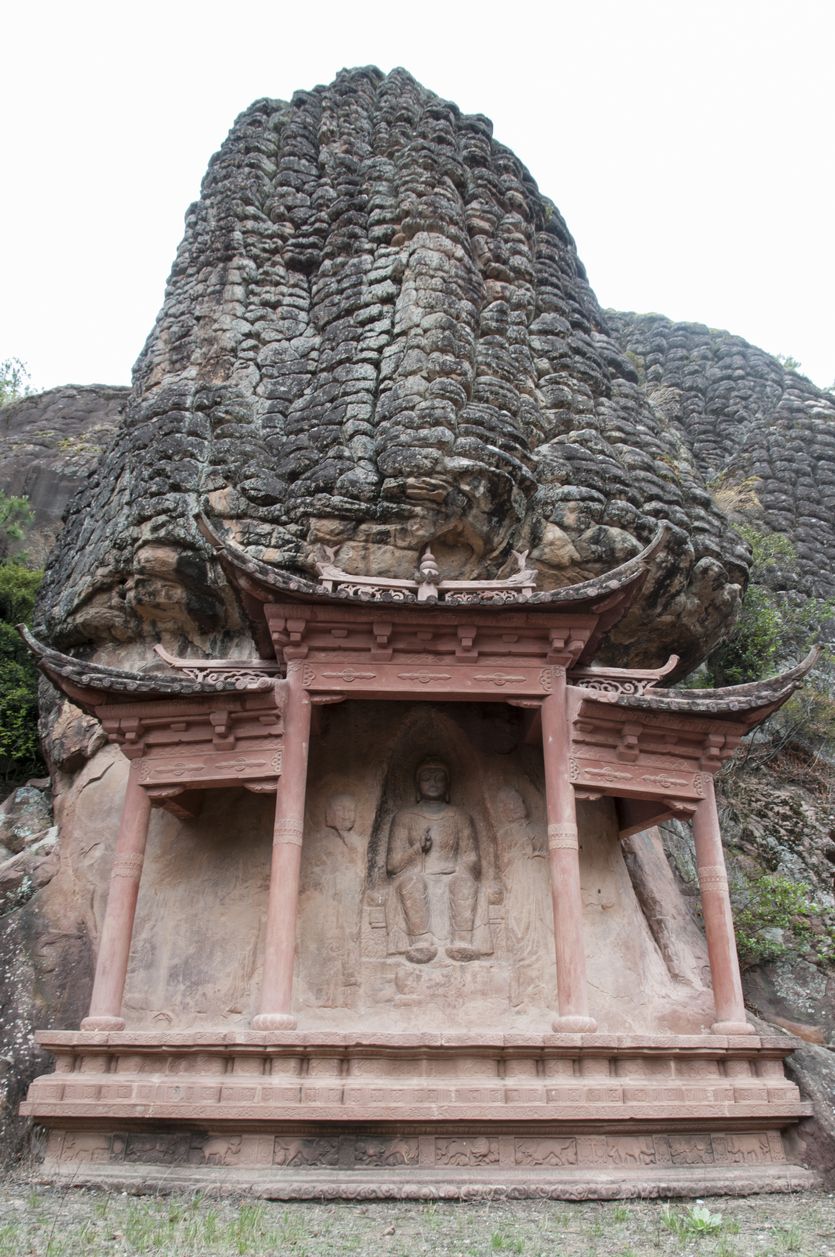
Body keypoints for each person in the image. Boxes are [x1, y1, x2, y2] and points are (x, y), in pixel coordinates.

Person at [386, 757, 481, 963]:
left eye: (439, 778)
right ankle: (421, 943)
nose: (433, 782)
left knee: (463, 882)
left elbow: (472, 858)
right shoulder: (404, 817)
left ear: (448, 785)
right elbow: (392, 866)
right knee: (412, 883)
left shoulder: (460, 816)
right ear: (416, 784)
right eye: (426, 778)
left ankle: (462, 942)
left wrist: (460, 869)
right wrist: (417, 849)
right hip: (417, 876)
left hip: (452, 875)